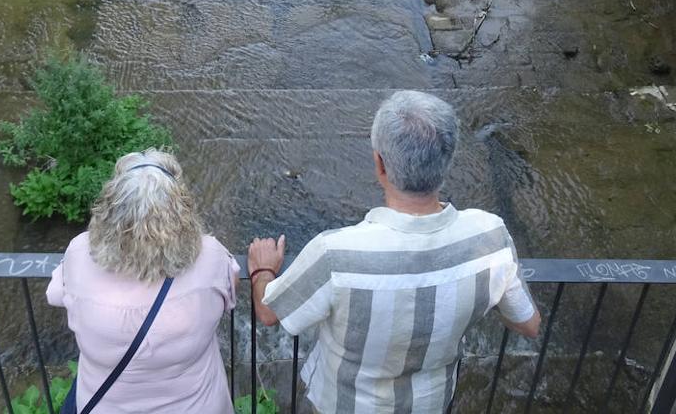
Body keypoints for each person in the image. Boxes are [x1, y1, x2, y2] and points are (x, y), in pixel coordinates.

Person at [247, 91, 541, 413]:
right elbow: (528, 324)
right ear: (448, 160)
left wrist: (263, 270)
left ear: (380, 164)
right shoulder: (490, 237)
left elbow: (269, 312)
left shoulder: (335, 253)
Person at [47, 149, 238, 413]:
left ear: (109, 209)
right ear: (182, 210)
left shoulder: (80, 254)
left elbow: (55, 295)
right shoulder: (211, 256)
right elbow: (229, 293)